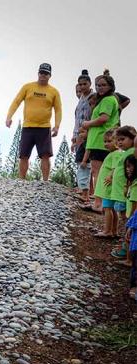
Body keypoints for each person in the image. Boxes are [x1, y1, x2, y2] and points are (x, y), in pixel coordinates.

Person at [6, 62, 62, 181]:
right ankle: (21, 179)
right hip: (28, 126)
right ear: (38, 73)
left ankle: (46, 180)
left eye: (46, 73)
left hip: (44, 127)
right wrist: (9, 116)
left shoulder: (54, 92)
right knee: (24, 155)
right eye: (41, 72)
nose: (43, 75)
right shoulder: (28, 87)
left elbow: (58, 110)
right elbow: (16, 101)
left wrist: (57, 126)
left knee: (45, 155)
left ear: (50, 75)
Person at [81, 69, 121, 210]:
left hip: (100, 141)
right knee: (101, 173)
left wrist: (87, 124)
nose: (99, 87)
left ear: (110, 86)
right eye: (98, 85)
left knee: (98, 173)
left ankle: (98, 204)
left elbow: (104, 118)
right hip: (99, 140)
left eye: (103, 85)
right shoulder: (107, 99)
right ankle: (102, 203)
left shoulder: (108, 100)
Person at [92, 129, 120, 238]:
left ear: (117, 142)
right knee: (112, 210)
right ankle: (114, 231)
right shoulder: (112, 154)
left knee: (108, 209)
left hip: (109, 187)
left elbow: (116, 167)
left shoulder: (115, 154)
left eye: (109, 141)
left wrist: (111, 175)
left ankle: (107, 231)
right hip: (109, 188)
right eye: (104, 141)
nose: (106, 144)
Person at [72, 70, 95, 203]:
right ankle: (84, 190)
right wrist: (74, 136)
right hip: (80, 133)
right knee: (80, 160)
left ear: (89, 84)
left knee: (86, 162)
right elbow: (77, 119)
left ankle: (87, 193)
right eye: (80, 84)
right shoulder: (80, 99)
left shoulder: (93, 97)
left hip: (89, 133)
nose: (82, 87)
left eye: (84, 84)